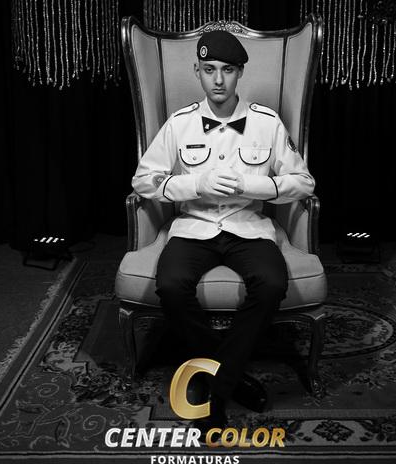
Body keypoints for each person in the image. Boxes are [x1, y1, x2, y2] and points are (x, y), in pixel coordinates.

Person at [131, 29, 315, 433]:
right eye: (209, 69)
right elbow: (143, 181)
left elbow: (303, 183)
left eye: (228, 70)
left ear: (240, 73)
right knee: (170, 285)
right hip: (193, 225)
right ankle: (232, 377)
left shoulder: (266, 122)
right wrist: (194, 184)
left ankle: (214, 386)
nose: (218, 80)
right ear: (197, 71)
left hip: (248, 225)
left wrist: (254, 186)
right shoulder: (179, 124)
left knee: (271, 283)